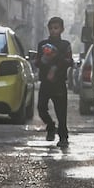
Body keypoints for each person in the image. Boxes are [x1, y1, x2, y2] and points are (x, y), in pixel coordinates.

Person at [34, 16, 74, 145]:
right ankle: (50, 126)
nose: (53, 31)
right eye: (51, 28)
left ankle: (63, 137)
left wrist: (56, 63)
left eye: (56, 28)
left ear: (62, 29)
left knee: (61, 112)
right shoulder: (42, 45)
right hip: (45, 83)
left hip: (59, 83)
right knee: (41, 108)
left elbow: (69, 61)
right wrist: (45, 59)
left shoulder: (65, 45)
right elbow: (38, 62)